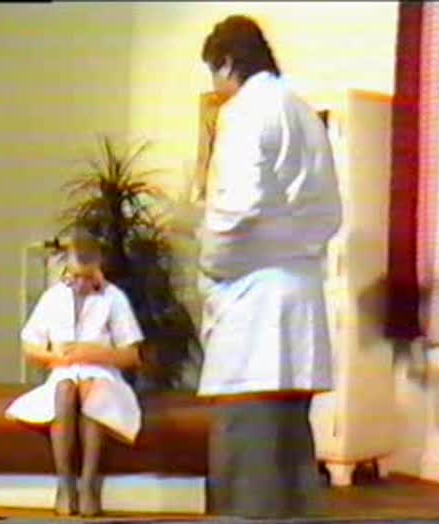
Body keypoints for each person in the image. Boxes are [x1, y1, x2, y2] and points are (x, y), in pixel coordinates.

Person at [179, 15, 343, 518]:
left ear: (228, 63)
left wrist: (209, 262)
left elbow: (236, 212)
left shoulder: (246, 110)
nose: (216, 88)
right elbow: (330, 215)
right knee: (290, 464)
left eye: (215, 74)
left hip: (253, 313)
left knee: (247, 469)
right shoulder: (303, 112)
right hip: (298, 304)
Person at [4, 226, 144, 517]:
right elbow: (30, 346)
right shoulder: (53, 297)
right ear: (66, 269)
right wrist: (55, 356)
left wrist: (91, 353)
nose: (80, 284)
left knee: (93, 390)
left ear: (98, 269)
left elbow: (132, 355)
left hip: (102, 375)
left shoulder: (114, 298)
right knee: (65, 389)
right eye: (75, 276)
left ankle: (90, 485)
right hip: (62, 373)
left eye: (87, 277)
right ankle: (65, 484)